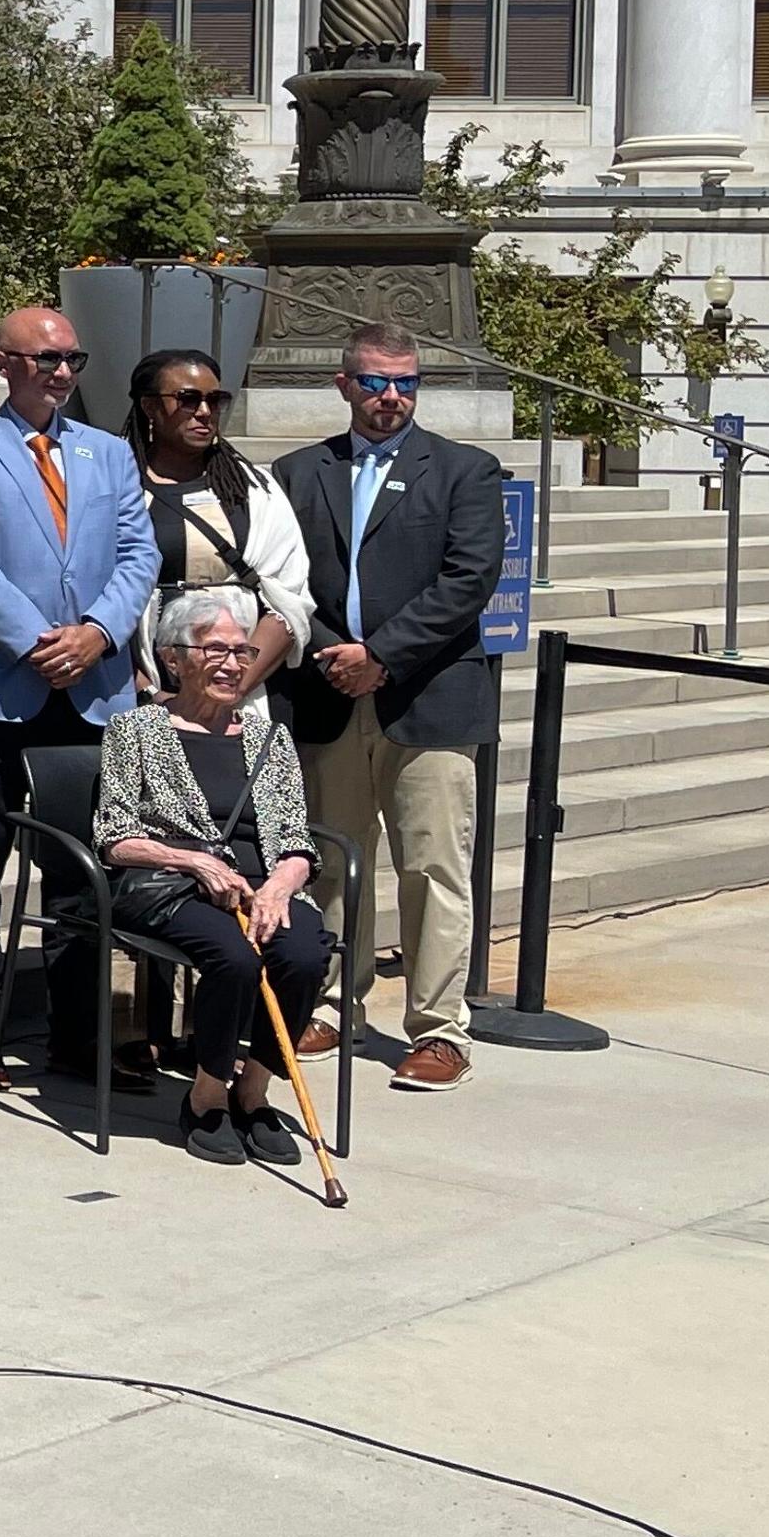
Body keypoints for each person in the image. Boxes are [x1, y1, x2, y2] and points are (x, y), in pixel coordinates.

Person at [0, 305, 159, 1089]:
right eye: (45, 358)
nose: (61, 372)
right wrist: (37, 639)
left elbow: (139, 550)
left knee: (83, 867)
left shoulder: (108, 453)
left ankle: (78, 1032)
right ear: (4, 363)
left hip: (93, 688)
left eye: (72, 358)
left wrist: (97, 632)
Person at [269, 321, 505, 1091]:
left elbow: (468, 579)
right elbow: (282, 578)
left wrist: (384, 655)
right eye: (374, 381)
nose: (391, 396)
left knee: (432, 865)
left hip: (428, 696)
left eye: (406, 382)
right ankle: (336, 1003)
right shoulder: (298, 473)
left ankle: (440, 1029)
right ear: (344, 385)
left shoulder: (465, 470)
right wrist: (340, 653)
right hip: (329, 692)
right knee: (331, 860)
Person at [99, 587, 333, 1166]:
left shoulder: (268, 738)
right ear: (173, 659)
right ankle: (206, 1097)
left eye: (242, 652)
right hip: (170, 886)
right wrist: (195, 860)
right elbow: (114, 836)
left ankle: (253, 1090)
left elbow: (296, 837)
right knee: (235, 957)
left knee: (304, 952)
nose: (232, 664)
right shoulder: (133, 730)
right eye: (216, 651)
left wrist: (280, 886)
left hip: (260, 888)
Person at [126, 350, 315, 714]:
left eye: (215, 400)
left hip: (248, 696)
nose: (204, 411)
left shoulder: (255, 488)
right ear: (149, 407)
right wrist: (153, 694)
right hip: (148, 697)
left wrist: (226, 689)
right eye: (188, 399)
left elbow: (288, 598)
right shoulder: (116, 486)